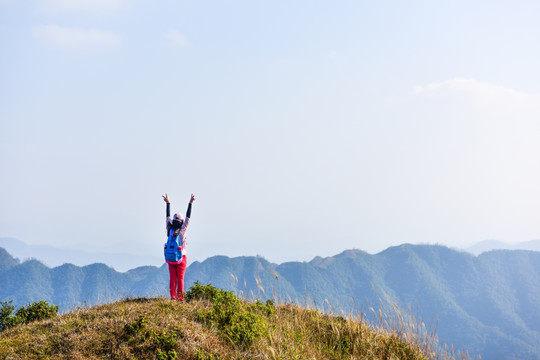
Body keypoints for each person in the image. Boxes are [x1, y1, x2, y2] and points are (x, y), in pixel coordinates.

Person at [162, 193, 195, 301]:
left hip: (170, 257)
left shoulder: (169, 228)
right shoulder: (182, 231)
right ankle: (180, 299)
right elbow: (188, 218)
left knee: (172, 278)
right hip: (181, 257)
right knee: (180, 278)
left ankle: (173, 297)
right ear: (181, 222)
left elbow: (167, 217)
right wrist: (190, 203)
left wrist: (168, 203)